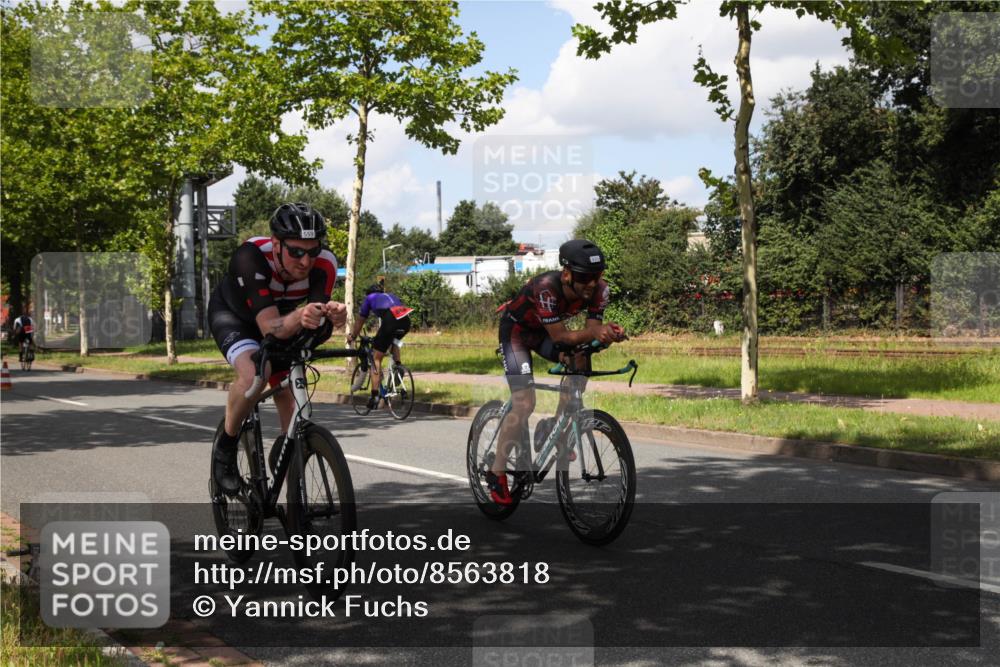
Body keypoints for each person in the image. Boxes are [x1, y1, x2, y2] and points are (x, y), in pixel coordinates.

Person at [207, 202, 347, 495]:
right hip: (236, 317)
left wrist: (331, 318)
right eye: (296, 251)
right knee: (253, 375)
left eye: (312, 251)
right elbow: (270, 327)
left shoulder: (326, 264)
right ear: (276, 244)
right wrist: (300, 316)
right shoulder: (251, 257)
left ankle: (288, 449)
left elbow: (313, 326)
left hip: (282, 319)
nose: (305, 261)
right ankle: (226, 448)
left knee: (288, 385)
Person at [489, 239, 625, 505]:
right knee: (525, 403)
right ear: (566, 274)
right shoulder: (545, 288)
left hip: (543, 334)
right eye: (584, 277)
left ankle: (557, 426)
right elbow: (561, 336)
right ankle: (497, 471)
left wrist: (605, 336)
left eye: (596, 277)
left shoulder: (600, 291)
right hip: (516, 333)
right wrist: (595, 332)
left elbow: (587, 334)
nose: (591, 284)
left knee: (581, 358)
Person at [346, 280, 413, 410]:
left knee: (376, 358)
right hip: (405, 319)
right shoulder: (390, 295)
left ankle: (375, 396)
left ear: (369, 293)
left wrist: (353, 336)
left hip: (391, 319)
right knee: (394, 341)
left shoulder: (369, 298)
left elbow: (360, 321)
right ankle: (398, 366)